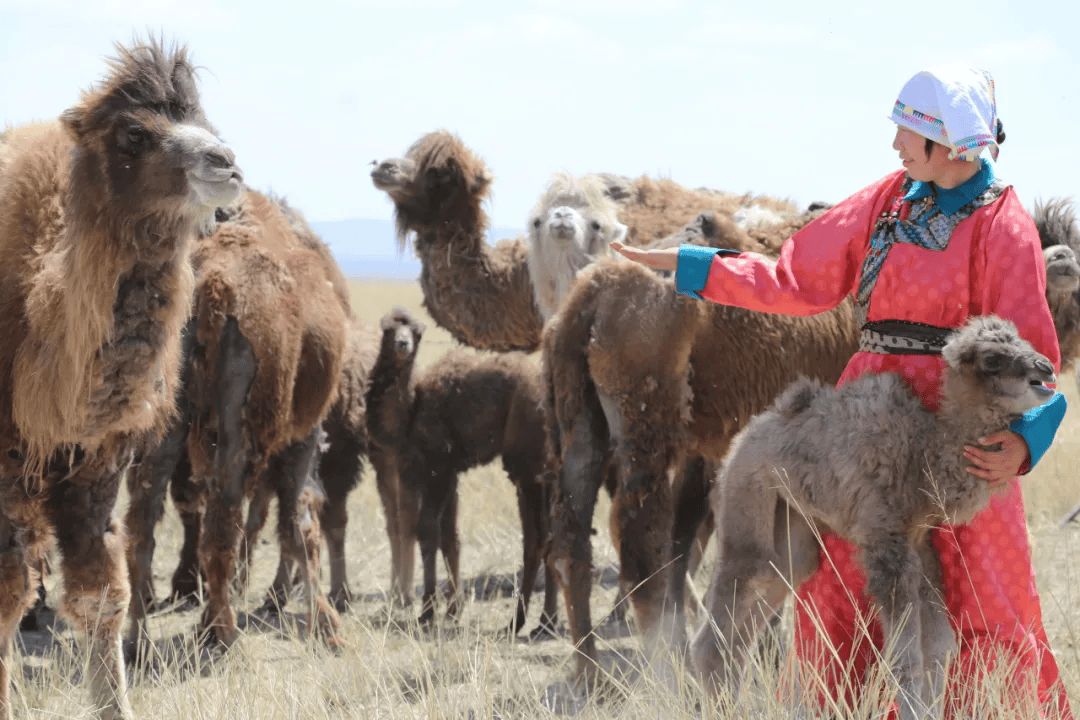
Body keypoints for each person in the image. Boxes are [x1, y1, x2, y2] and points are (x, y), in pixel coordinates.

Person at [612, 67, 1073, 718]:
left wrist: (1023, 443)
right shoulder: (888, 201)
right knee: (835, 590)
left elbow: (1035, 360)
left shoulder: (1004, 224)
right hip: (865, 433)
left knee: (983, 595)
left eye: (909, 130)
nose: (895, 144)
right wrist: (689, 267)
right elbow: (794, 280)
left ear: (950, 143)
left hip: (963, 437)